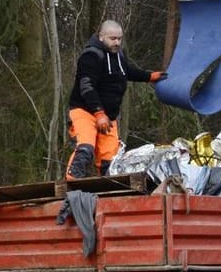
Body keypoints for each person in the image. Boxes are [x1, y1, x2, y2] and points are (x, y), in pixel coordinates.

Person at [66, 19, 166, 179]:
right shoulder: (91, 56)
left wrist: (150, 76)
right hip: (85, 111)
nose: (117, 42)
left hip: (109, 116)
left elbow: (128, 71)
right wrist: (98, 113)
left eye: (119, 38)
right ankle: (70, 183)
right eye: (112, 38)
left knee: (110, 160)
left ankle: (108, 188)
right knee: (86, 148)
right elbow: (86, 87)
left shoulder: (119, 55)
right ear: (101, 37)